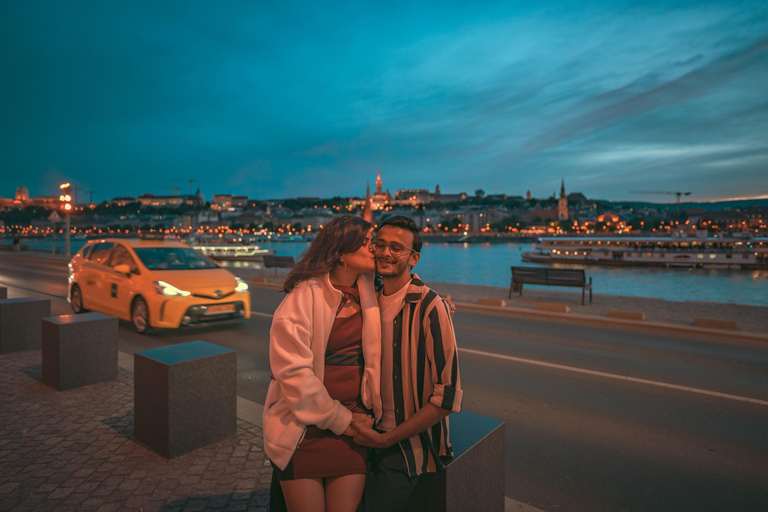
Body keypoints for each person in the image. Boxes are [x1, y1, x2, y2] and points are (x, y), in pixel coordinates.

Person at [263, 215, 383, 512]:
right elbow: (293, 375)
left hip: (355, 427)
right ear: (342, 253)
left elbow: (406, 291)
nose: (376, 250)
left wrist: (438, 305)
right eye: (368, 244)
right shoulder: (302, 298)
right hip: (303, 428)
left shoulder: (369, 288)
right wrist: (343, 420)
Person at [352, 215, 463, 512]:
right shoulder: (366, 298)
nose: (386, 252)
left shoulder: (431, 307)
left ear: (413, 258)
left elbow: (447, 397)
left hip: (405, 447)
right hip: (364, 434)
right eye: (381, 244)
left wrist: (388, 439)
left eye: (396, 248)